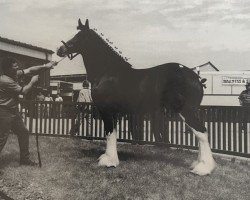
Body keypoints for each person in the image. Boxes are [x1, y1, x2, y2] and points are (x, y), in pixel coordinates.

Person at [0, 57, 57, 166]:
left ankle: (24, 160)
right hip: (3, 112)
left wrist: (46, 66)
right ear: (7, 69)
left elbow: (30, 70)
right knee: (2, 138)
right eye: (14, 66)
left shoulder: (14, 74)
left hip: (13, 111)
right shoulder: (5, 80)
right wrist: (32, 82)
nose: (17, 67)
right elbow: (24, 91)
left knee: (23, 132)